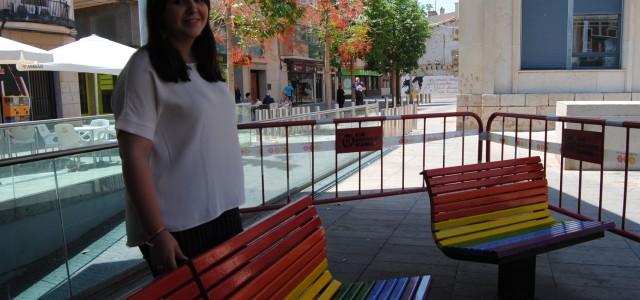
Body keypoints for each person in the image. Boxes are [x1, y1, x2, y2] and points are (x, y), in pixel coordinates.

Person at [112, 0, 244, 277]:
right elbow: (134, 154)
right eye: (179, 1)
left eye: (199, 0)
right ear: (160, 10)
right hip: (178, 225)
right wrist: (157, 232)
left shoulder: (206, 65)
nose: (193, 8)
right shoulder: (144, 67)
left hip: (223, 209)